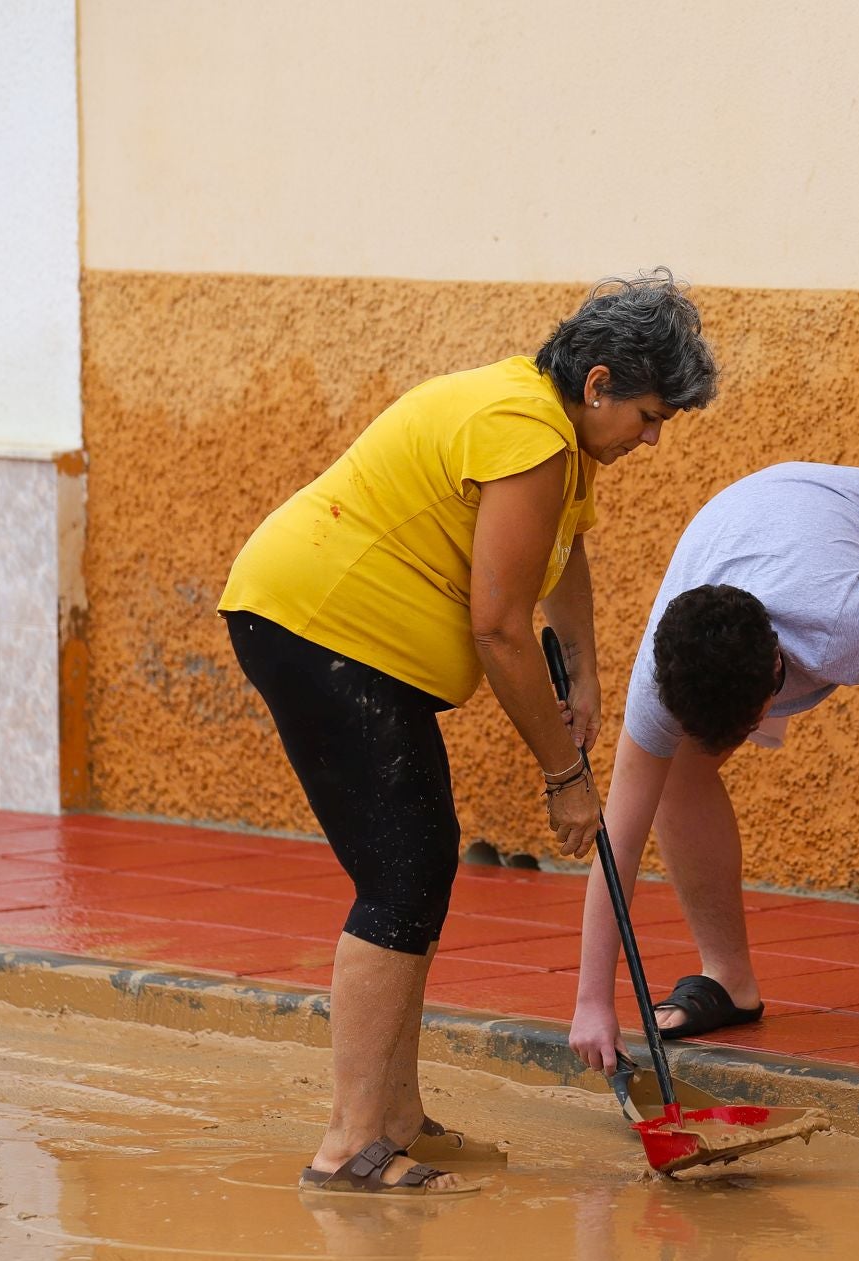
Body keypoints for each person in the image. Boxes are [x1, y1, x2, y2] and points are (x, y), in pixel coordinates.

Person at [219, 270, 716, 1196]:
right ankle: (351, 1145)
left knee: (418, 862)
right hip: (318, 625)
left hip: (340, 635)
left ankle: (395, 1118)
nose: (652, 438)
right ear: (599, 383)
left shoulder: (550, 435)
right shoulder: (527, 432)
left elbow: (559, 554)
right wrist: (565, 774)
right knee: (400, 872)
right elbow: (497, 626)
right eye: (649, 415)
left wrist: (588, 663)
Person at [567, 462, 859, 1075]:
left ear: (780, 672)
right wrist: (590, 1003)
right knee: (677, 770)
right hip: (778, 539)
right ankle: (729, 979)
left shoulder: (848, 619)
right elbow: (620, 844)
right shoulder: (662, 679)